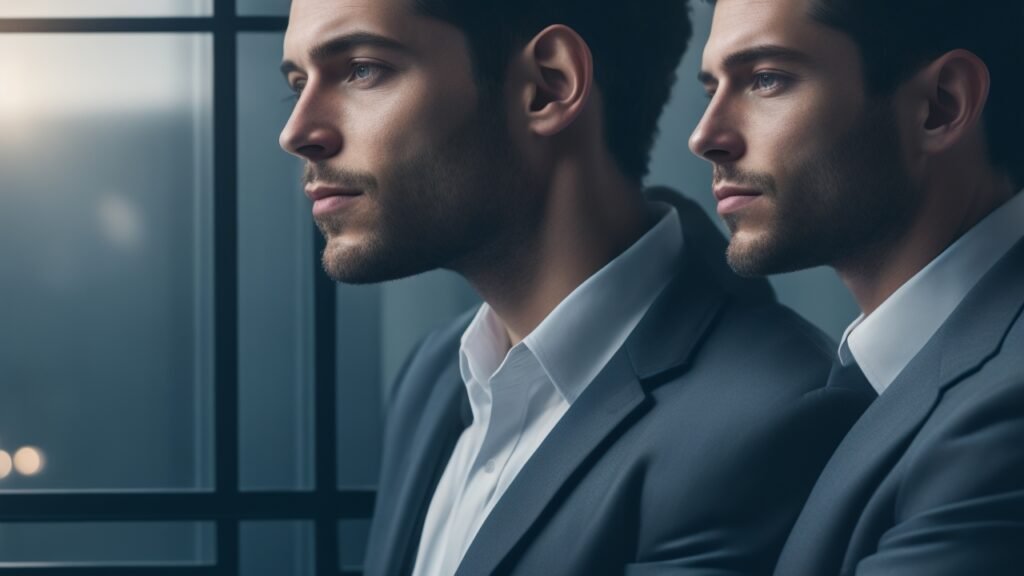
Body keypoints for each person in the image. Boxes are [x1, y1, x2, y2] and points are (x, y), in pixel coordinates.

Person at [279, 0, 870, 574]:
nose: (297, 131)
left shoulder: (768, 420)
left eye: (361, 70)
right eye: (298, 83)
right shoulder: (436, 374)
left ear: (547, 85)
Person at [690, 0, 1024, 574]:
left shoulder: (1006, 413)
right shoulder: (908, 377)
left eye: (766, 79)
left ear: (940, 106)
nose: (706, 137)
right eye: (711, 89)